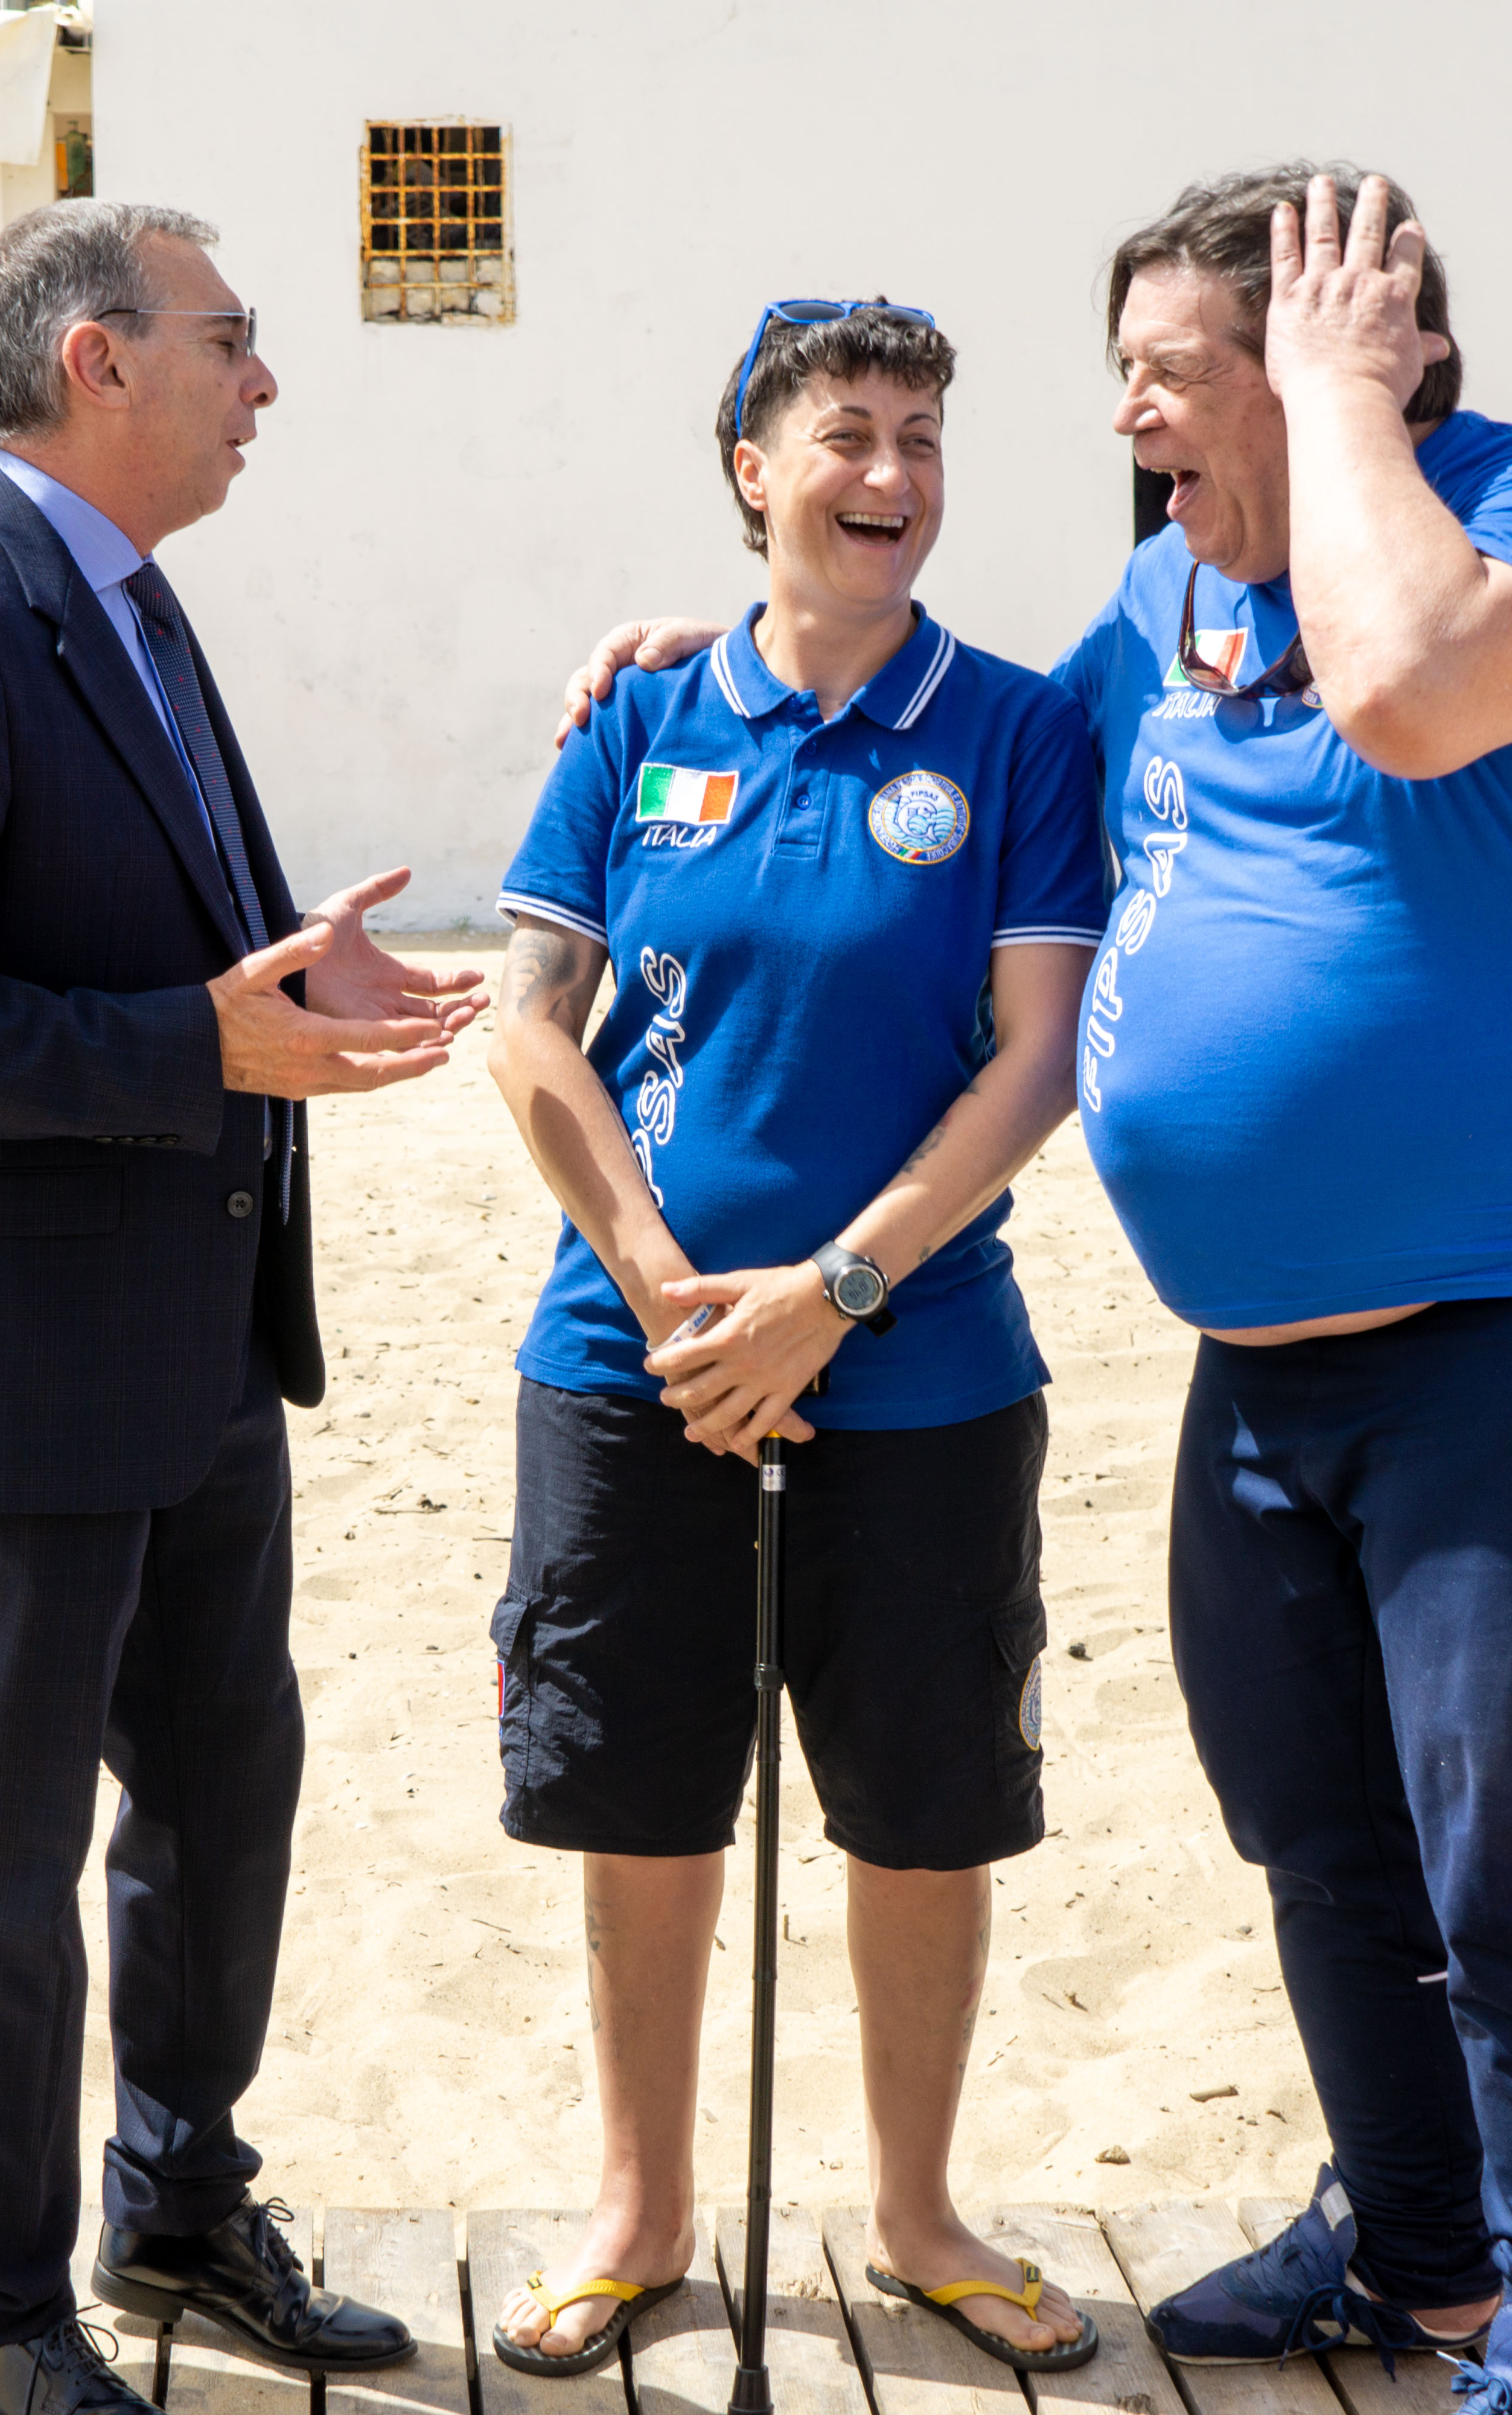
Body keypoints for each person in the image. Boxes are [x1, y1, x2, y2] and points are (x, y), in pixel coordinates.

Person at [564, 168, 1512, 2415]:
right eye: (1129, 375)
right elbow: (953, 731)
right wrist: (712, 660)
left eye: (1178, 367)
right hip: (1277, 1348)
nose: (1132, 416)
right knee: (1318, 1812)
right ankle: (1420, 2247)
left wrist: (1355, 417)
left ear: (1369, 351)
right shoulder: (1161, 597)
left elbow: (1416, 688)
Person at [0, 199, 480, 2415]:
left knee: (221, 1795)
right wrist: (201, 1045)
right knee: (1, 1853)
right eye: (232, 340)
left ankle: (174, 2209)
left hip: (191, 1341)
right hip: (5, 1370)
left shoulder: (126, 606)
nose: (264, 380)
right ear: (96, 361)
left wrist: (283, 970)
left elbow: (150, 926)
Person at [484, 298, 1110, 2381]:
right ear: (753, 467)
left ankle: (920, 2216)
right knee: (642, 1806)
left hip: (921, 1373)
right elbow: (523, 1020)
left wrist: (834, 1293)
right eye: (850, 433)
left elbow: (1037, 1067)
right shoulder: (637, 721)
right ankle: (640, 2214)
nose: (895, 478)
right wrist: (671, 1290)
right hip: (632, 1366)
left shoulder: (1016, 734)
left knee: (923, 1810)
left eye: (926, 436)